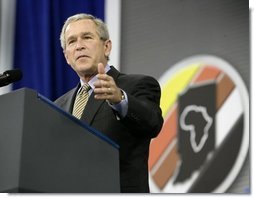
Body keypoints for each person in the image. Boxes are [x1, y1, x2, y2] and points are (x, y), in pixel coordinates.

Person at [55, 13, 163, 193]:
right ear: (67, 56)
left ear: (106, 47)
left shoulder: (137, 84)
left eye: (87, 37)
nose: (79, 45)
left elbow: (152, 123)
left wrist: (120, 100)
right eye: (71, 42)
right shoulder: (58, 104)